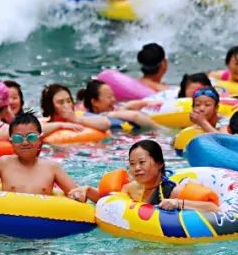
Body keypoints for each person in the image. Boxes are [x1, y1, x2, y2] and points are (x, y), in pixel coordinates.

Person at [69, 139, 221, 212]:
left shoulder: (173, 192)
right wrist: (88, 191)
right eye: (132, 163)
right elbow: (110, 204)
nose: (137, 168)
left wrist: (178, 203)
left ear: (159, 164)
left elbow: (213, 209)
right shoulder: (131, 188)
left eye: (142, 162)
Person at [0, 111, 80, 194]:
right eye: (18, 138)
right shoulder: (4, 163)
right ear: (11, 142)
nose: (25, 142)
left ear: (40, 139)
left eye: (31, 137)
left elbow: (75, 192)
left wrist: (79, 194)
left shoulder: (52, 168)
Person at [77, 79, 159, 130]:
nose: (114, 99)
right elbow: (135, 116)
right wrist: (159, 128)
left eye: (113, 96)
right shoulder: (104, 115)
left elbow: (127, 106)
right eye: (109, 97)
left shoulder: (111, 109)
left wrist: (146, 103)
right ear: (95, 102)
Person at [40, 83, 108, 132]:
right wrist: (61, 125)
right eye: (60, 102)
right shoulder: (44, 122)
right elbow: (35, 132)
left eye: (69, 101)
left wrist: (76, 119)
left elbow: (106, 123)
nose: (66, 105)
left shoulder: (79, 117)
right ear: (50, 106)